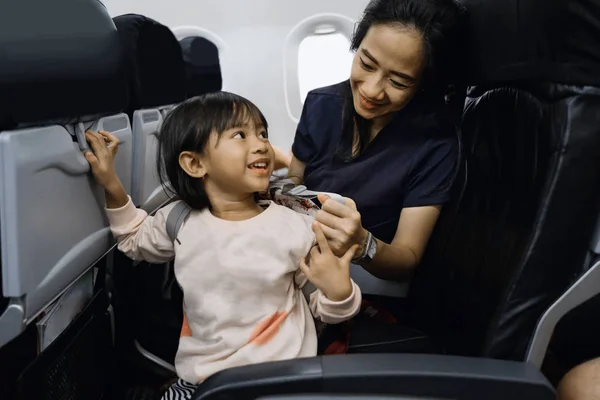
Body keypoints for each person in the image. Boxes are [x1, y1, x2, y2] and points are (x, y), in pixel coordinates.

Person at [83, 92, 362, 399]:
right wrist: (111, 182)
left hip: (283, 379)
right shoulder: (179, 219)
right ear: (194, 163)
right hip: (203, 381)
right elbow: (133, 239)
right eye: (240, 135)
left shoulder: (296, 226)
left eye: (262, 133)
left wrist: (339, 292)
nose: (261, 144)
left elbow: (327, 310)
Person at [286, 0, 465, 315]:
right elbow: (293, 185)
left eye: (398, 82)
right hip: (295, 268)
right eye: (366, 64)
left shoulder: (435, 144)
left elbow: (406, 259)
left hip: (360, 292)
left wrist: (362, 242)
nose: (371, 90)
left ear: (424, 83)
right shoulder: (321, 104)